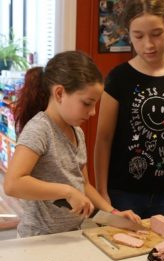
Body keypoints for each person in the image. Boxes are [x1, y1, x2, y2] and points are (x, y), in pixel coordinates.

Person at [4, 50, 141, 237]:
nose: (93, 112)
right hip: (39, 239)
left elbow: (83, 184)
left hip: (71, 234)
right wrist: (67, 192)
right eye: (87, 103)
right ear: (59, 93)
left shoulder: (77, 131)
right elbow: (12, 184)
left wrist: (113, 213)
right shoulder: (39, 130)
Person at [94, 0, 164, 219]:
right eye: (138, 36)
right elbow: (103, 139)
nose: (148, 45)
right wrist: (102, 190)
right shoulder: (117, 79)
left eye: (156, 34)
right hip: (122, 192)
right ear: (128, 34)